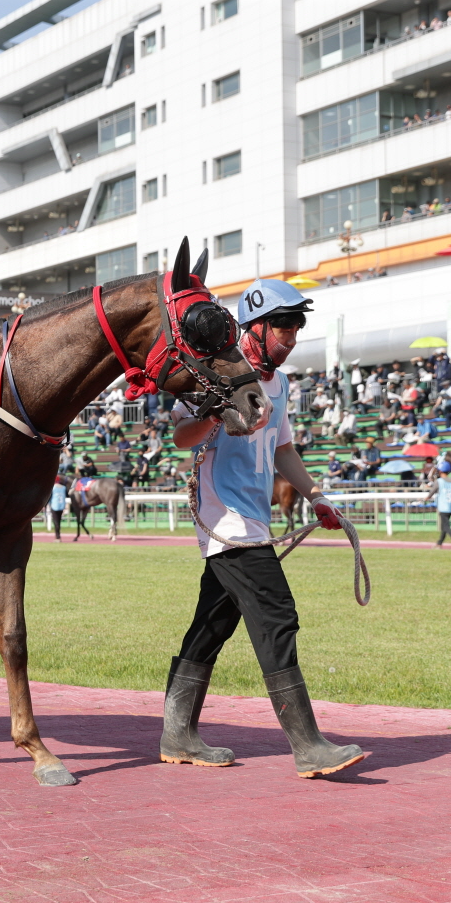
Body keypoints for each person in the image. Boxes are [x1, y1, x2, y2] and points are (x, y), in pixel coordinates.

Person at [159, 278, 363, 779]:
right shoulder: (211, 374)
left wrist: (316, 497)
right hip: (228, 520)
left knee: (213, 624)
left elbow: (282, 449)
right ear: (254, 326)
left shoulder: (282, 384)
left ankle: (177, 733)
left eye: (298, 325)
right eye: (284, 324)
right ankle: (308, 745)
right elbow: (182, 436)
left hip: (255, 516)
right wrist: (214, 413)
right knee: (276, 615)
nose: (293, 335)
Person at [426, 460, 451, 548]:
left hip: (443, 507)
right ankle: (439, 543)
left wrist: (427, 497)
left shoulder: (439, 481)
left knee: (446, 526)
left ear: (440, 471)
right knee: (444, 526)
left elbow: (432, 492)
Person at [47, 475, 68, 542]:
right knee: (58, 521)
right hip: (61, 506)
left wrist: (47, 505)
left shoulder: (53, 488)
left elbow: (49, 497)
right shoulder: (64, 488)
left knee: (56, 522)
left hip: (54, 506)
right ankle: (58, 535)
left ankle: (57, 537)